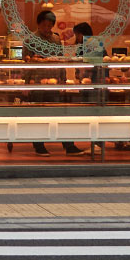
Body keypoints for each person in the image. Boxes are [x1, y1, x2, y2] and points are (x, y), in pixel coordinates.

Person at [32, 11, 84, 155]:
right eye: (44, 24)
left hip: (54, 82)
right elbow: (26, 61)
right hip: (37, 83)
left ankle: (68, 145)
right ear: (39, 24)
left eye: (50, 25)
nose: (47, 28)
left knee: (59, 114)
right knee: (39, 117)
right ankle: (39, 145)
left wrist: (62, 80)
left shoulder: (56, 39)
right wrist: (27, 84)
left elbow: (61, 60)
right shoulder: (31, 38)